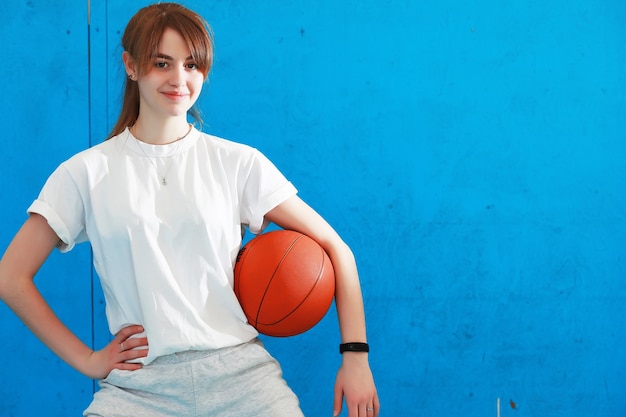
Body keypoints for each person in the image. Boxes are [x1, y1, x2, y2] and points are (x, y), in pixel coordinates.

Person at [0, 3, 379, 416]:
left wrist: (355, 357)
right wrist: (88, 360)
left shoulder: (238, 163)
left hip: (243, 380)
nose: (179, 78)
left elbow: (335, 247)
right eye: (162, 63)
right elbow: (10, 277)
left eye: (193, 64)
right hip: (137, 390)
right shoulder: (85, 173)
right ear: (130, 65)